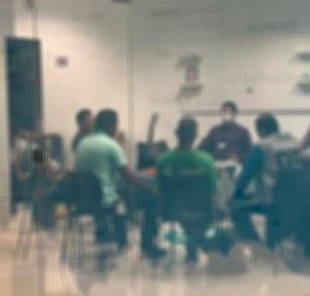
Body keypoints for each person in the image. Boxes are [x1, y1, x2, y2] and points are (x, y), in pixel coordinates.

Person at [76, 109, 164, 258]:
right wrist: (151, 188)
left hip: (82, 198)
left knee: (124, 193)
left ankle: (119, 237)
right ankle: (147, 245)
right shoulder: (111, 145)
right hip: (105, 199)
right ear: (112, 126)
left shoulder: (83, 143)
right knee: (150, 199)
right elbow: (128, 175)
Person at [231, 113, 303, 245]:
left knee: (236, 209)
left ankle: (255, 245)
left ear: (262, 131)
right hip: (297, 199)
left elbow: (246, 175)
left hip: (272, 203)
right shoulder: (294, 141)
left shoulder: (262, 146)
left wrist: (236, 194)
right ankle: (273, 241)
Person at [157, 118, 216, 263]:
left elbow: (159, 188)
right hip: (201, 208)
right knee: (202, 211)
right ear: (195, 136)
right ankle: (197, 242)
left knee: (186, 211)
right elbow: (213, 189)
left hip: (172, 209)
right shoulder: (205, 160)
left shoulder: (164, 160)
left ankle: (192, 245)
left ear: (177, 134)